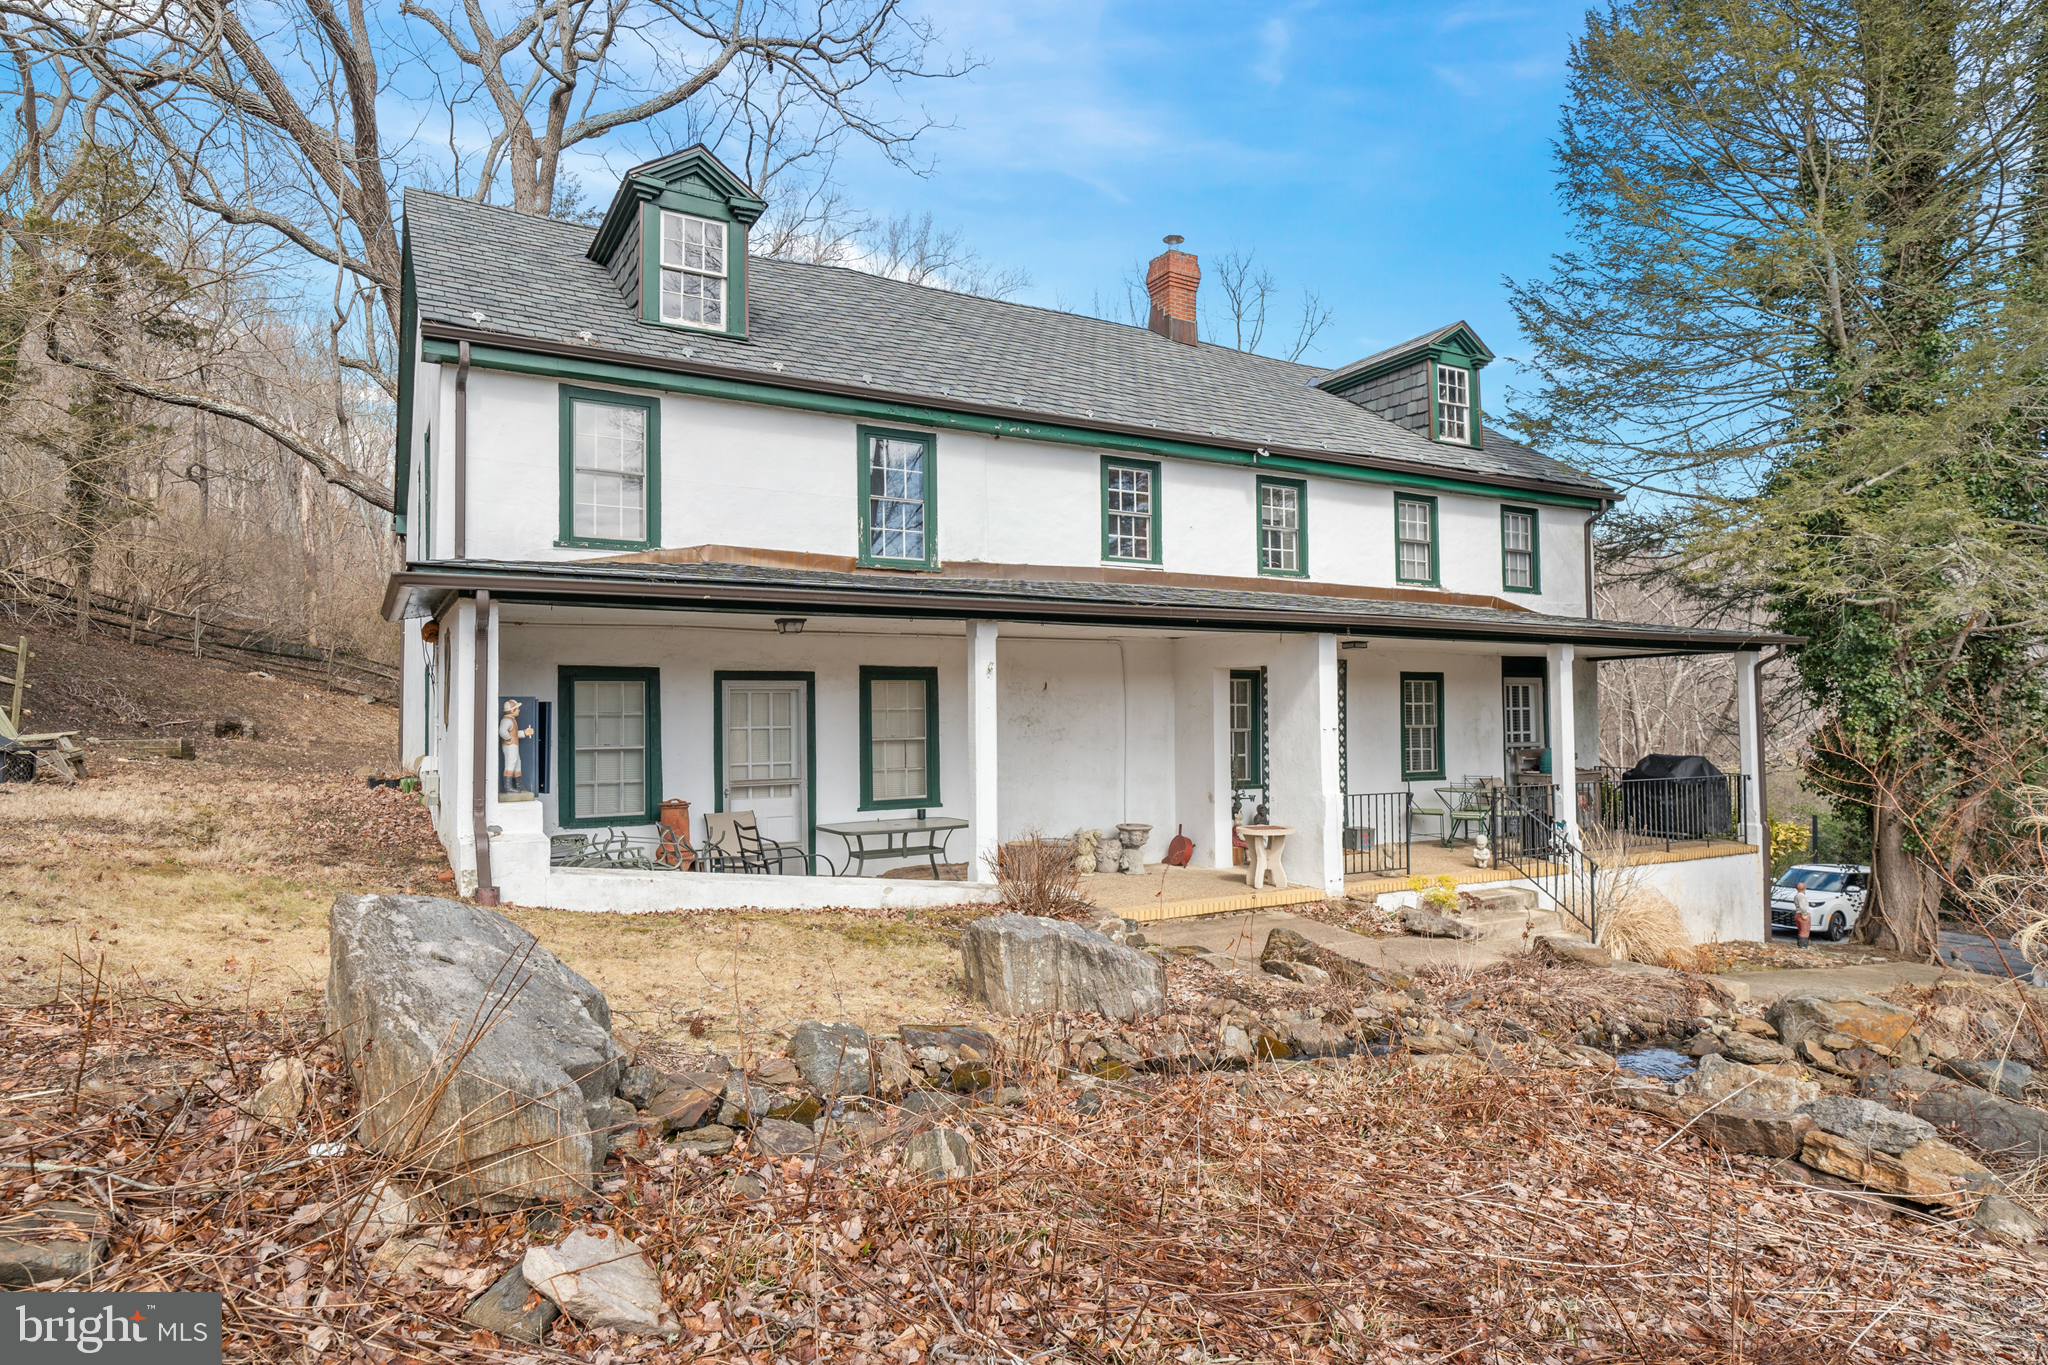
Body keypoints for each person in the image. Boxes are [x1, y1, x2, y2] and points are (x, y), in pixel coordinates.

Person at [499, 698, 534, 793]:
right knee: (510, 764)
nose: (518, 710)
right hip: (510, 746)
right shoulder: (507, 721)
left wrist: (524, 733)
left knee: (517, 764)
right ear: (512, 710)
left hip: (514, 745)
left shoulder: (511, 720)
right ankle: (508, 787)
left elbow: (513, 733)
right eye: (517, 708)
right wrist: (508, 739)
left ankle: (518, 786)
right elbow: (502, 731)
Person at [1792, 879, 1811, 948]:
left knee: (1801, 930)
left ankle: (1801, 944)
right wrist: (1804, 914)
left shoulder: (1797, 896)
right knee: (1804, 930)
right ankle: (1803, 945)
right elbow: (1803, 906)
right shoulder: (1801, 896)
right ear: (1804, 888)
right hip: (1801, 914)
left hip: (1798, 913)